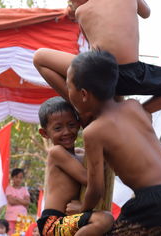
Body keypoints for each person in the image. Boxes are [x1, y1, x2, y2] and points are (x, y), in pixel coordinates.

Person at [33, 0, 161, 115]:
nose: (73, 4)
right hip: (135, 74)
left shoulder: (82, 11)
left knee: (39, 58)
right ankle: (140, 112)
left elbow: (92, 49)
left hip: (100, 74)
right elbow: (146, 13)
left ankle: (81, 107)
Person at [65, 49, 161, 234]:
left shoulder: (94, 132)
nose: (67, 92)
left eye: (68, 87)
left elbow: (96, 187)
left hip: (152, 203)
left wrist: (82, 210)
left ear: (83, 94)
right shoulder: (134, 107)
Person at [37, 96, 113, 236]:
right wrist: (83, 209)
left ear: (79, 124)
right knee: (105, 219)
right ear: (45, 133)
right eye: (58, 128)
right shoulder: (56, 153)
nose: (66, 132)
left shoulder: (81, 154)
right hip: (53, 224)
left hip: (68, 220)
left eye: (71, 125)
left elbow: (105, 165)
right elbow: (91, 180)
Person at [5, 168, 30, 235]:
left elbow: (27, 202)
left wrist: (16, 199)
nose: (18, 179)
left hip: (22, 217)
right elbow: (11, 201)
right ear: (12, 178)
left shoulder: (25, 189)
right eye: (16, 177)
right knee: (10, 234)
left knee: (21, 234)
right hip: (10, 217)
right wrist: (22, 201)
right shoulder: (9, 188)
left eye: (21, 178)